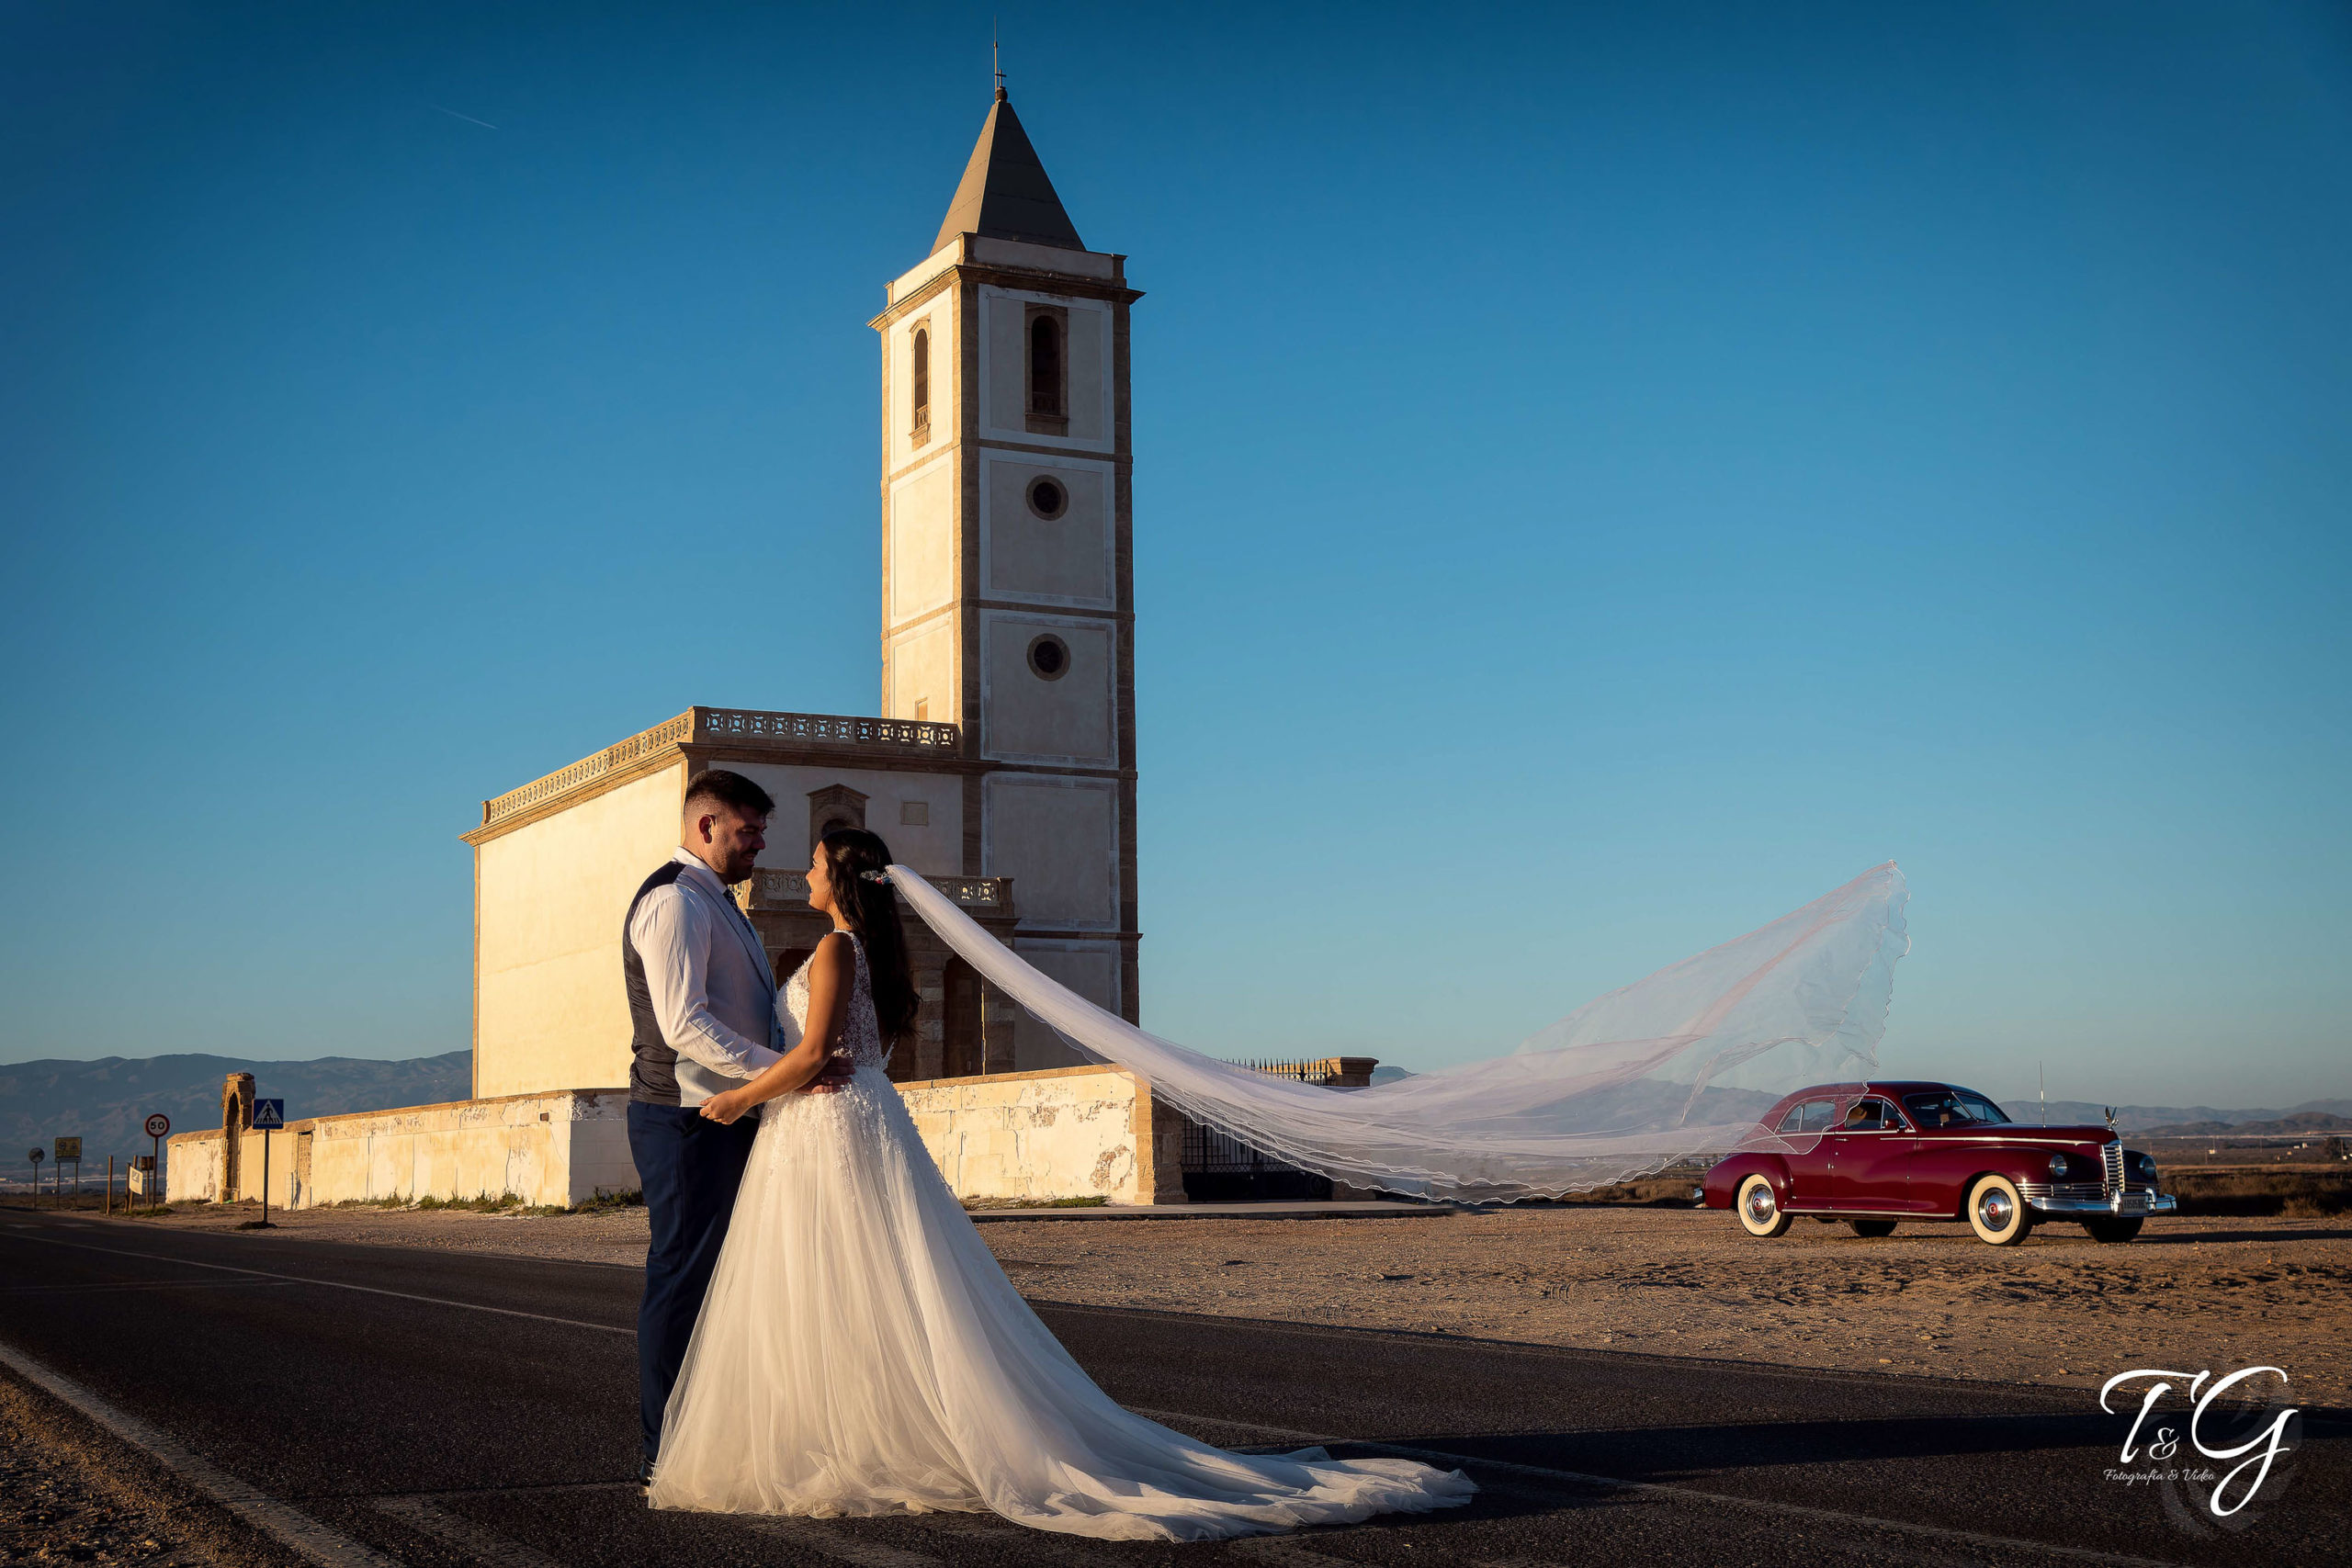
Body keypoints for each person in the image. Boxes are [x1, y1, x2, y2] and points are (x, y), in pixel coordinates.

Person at [646, 828, 1475, 1540]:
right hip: (852, 1119)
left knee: (833, 1280)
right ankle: (865, 1431)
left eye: (819, 861)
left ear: (845, 878)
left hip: (826, 1125)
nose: (808, 872)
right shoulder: (873, 954)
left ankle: (853, 1437)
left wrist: (737, 1097)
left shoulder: (833, 947)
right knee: (875, 1281)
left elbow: (814, 1054)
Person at [622, 768, 844, 1485]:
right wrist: (782, 1072)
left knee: (727, 1280)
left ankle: (712, 1438)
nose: (759, 844)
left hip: (728, 1113)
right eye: (747, 831)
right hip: (684, 1117)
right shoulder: (674, 902)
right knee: (683, 1277)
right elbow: (684, 1024)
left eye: (761, 831)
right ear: (705, 826)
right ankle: (665, 1450)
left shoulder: (719, 903)